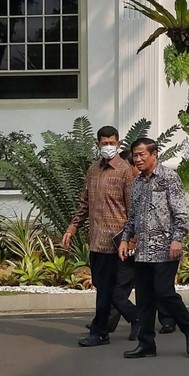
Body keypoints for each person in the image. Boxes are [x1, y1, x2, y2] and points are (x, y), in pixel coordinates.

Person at [119, 137, 189, 358]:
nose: (137, 159)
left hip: (165, 248)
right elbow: (132, 216)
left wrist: (177, 240)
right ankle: (146, 344)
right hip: (143, 251)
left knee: (164, 293)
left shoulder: (168, 178)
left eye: (141, 154)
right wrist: (126, 239)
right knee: (144, 298)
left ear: (154, 155)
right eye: (135, 155)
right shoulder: (137, 183)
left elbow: (181, 214)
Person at [62, 126, 138, 347]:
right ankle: (135, 317)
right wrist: (72, 228)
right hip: (96, 239)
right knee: (103, 285)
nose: (108, 147)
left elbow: (132, 208)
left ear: (119, 143)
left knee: (107, 287)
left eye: (111, 143)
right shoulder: (93, 169)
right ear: (97, 144)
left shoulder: (125, 171)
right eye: (104, 143)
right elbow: (84, 202)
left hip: (117, 240)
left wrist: (131, 238)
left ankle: (100, 331)